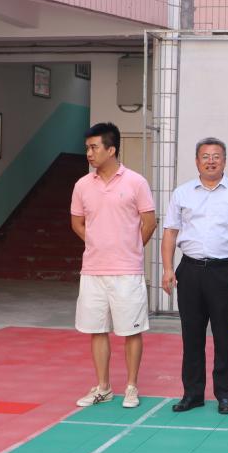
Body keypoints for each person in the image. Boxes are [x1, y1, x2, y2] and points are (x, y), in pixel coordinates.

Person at [161, 138, 228, 415]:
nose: (211, 161)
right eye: (205, 156)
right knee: (191, 335)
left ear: (224, 161)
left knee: (224, 335)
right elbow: (170, 232)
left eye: (216, 156)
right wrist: (167, 269)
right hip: (189, 270)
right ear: (197, 161)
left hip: (222, 271)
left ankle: (225, 395)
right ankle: (192, 394)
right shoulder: (182, 193)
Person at [70, 122, 156, 409]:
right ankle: (103, 387)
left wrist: (130, 247)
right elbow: (77, 223)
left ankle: (131, 387)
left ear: (111, 149)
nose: (89, 153)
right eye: (87, 148)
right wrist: (98, 242)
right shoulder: (82, 185)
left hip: (127, 271)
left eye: (94, 147)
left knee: (131, 330)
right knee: (96, 329)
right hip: (93, 270)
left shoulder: (136, 182)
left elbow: (149, 222)